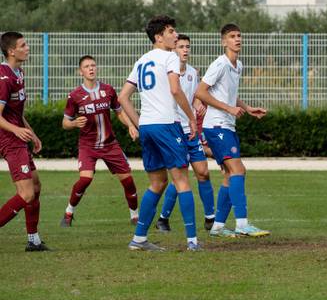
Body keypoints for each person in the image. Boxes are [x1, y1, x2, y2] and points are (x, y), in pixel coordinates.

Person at [118, 15, 201, 252]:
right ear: (159, 37)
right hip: (167, 125)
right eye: (172, 31)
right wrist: (192, 118)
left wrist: (141, 123)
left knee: (157, 182)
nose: (176, 35)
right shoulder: (170, 57)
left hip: (149, 128)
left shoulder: (141, 60)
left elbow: (123, 96)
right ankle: (193, 241)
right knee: (182, 180)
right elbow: (175, 89)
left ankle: (139, 239)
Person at [196, 23, 268, 238]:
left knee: (229, 176)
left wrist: (247, 108)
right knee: (239, 170)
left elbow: (228, 93)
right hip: (216, 125)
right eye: (232, 36)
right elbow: (201, 92)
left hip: (227, 125)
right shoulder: (220, 63)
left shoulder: (238, 65)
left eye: (239, 35)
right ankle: (242, 223)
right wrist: (228, 108)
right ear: (223, 41)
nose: (237, 39)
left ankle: (218, 226)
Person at [60, 55, 139, 227]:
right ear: (80, 71)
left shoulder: (108, 90)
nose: (91, 68)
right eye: (87, 66)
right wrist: (73, 123)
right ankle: (68, 212)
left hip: (110, 144)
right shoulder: (74, 96)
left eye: (93, 65)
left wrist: (130, 125)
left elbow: (119, 112)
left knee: (128, 180)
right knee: (85, 179)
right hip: (88, 146)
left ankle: (135, 216)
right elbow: (65, 123)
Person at [157, 35, 215, 232]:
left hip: (190, 130)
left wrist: (198, 104)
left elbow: (194, 98)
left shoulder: (192, 73)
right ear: (173, 49)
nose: (185, 50)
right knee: (180, 176)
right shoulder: (167, 73)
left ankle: (210, 218)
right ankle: (163, 218)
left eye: (187, 47)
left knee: (203, 172)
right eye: (181, 46)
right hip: (173, 129)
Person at [0, 32, 49, 251]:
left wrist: (32, 133)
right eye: (23, 45)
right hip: (10, 140)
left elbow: (17, 114)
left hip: (19, 137)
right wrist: (17, 131)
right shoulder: (3, 77)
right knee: (26, 194)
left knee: (36, 186)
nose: (27, 48)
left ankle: (34, 240)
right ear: (11, 51)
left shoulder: (19, 73)